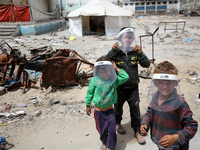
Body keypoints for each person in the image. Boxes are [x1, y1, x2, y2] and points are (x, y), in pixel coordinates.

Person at [106, 27, 150, 144]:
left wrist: (141, 53)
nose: (128, 39)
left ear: (133, 39)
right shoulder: (116, 52)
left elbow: (146, 64)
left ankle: (137, 131)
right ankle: (118, 123)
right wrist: (112, 50)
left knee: (135, 109)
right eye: (125, 37)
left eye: (130, 37)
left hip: (133, 87)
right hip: (119, 87)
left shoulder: (135, 52)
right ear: (120, 39)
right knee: (117, 108)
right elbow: (105, 62)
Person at [140, 61, 198, 150]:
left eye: (169, 82)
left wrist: (175, 137)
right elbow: (150, 112)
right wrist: (145, 123)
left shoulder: (180, 103)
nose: (165, 86)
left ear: (175, 83)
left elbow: (192, 126)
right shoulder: (155, 97)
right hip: (160, 141)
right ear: (155, 83)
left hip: (176, 146)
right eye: (161, 82)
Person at [85, 56, 129, 150]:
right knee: (102, 131)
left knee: (112, 131)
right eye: (101, 72)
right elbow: (89, 92)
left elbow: (125, 77)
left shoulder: (113, 80)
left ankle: (111, 146)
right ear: (97, 72)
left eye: (106, 71)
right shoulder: (95, 80)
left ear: (111, 70)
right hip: (99, 112)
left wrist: (116, 68)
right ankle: (104, 141)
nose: (104, 74)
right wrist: (87, 105)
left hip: (110, 111)